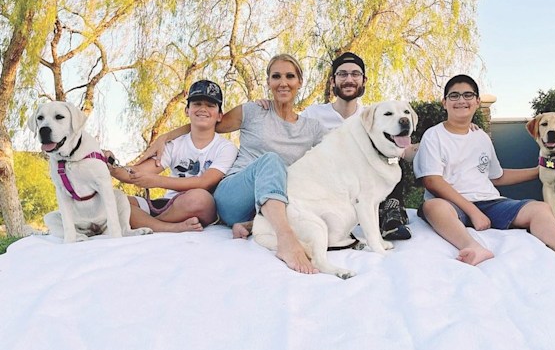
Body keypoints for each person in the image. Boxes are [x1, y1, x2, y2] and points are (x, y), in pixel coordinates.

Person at [138, 54, 327, 274]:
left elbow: (335, 157)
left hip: (273, 203)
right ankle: (286, 240)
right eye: (276, 76)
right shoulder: (253, 111)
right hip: (234, 195)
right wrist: (166, 137)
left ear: (299, 82)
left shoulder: (313, 129)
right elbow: (207, 121)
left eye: (290, 76)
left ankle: (250, 225)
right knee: (272, 160)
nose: (283, 82)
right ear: (268, 82)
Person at [413, 74, 555, 269]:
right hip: (453, 205)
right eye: (454, 95)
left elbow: (497, 176)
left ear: (476, 101)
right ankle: (472, 247)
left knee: (540, 208)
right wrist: (473, 212)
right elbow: (432, 181)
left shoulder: (480, 136)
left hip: (490, 202)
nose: (461, 100)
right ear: (444, 102)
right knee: (433, 207)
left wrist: (540, 170)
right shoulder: (434, 135)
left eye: (467, 95)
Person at [259, 52, 415, 240]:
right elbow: (288, 140)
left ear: (364, 80)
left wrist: (428, 145)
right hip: (331, 185)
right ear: (333, 81)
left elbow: (404, 148)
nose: (349, 79)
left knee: (388, 161)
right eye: (342, 74)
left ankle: (391, 211)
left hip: (366, 182)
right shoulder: (314, 114)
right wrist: (268, 107)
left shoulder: (374, 115)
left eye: (355, 74)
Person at [109, 80, 238, 233]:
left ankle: (147, 222)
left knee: (199, 198)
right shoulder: (174, 144)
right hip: (167, 204)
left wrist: (156, 181)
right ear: (187, 111)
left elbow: (204, 183)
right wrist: (110, 165)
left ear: (219, 116)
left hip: (200, 205)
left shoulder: (226, 148)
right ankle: (168, 227)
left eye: (210, 105)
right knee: (115, 201)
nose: (203, 109)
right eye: (197, 104)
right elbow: (136, 174)